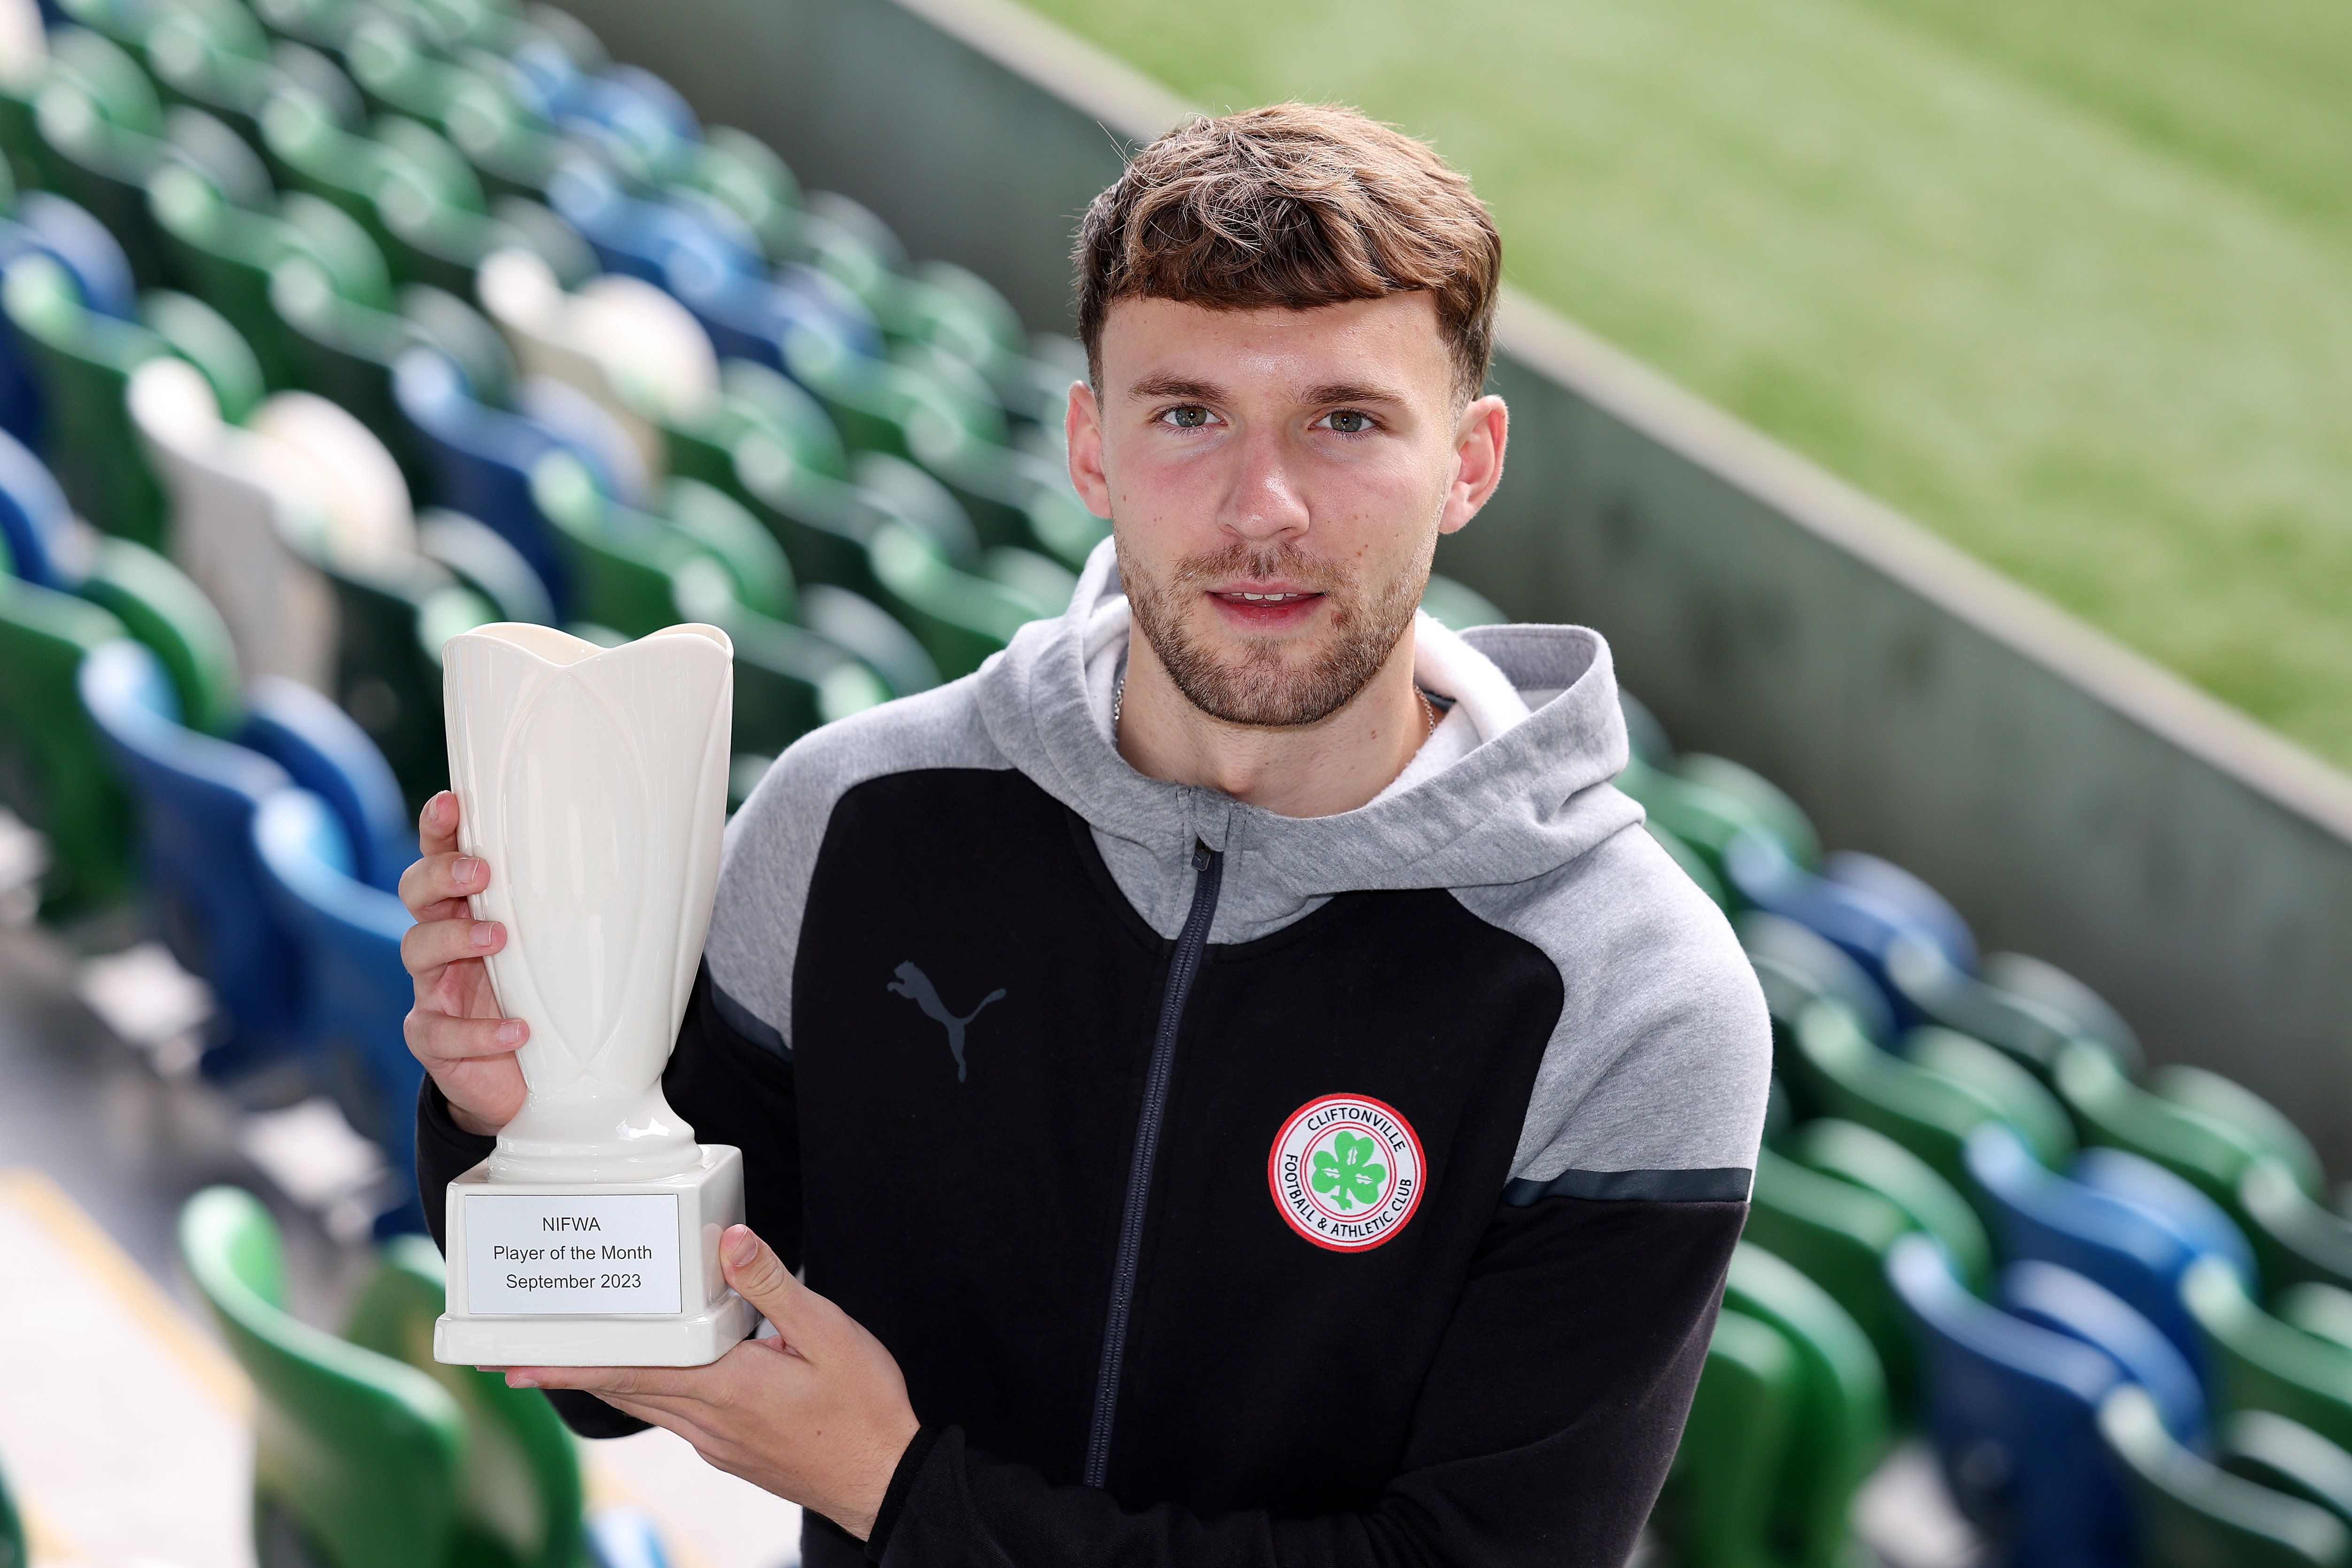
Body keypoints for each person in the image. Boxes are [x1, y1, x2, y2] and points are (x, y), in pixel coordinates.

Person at [403, 102, 1770, 1568]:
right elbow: (625, 1375)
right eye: (1186, 414)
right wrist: (520, 1114)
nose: (1265, 508)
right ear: (1089, 447)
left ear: (1470, 460)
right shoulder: (850, 819)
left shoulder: (1636, 998)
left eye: (1347, 420)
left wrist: (911, 1496)